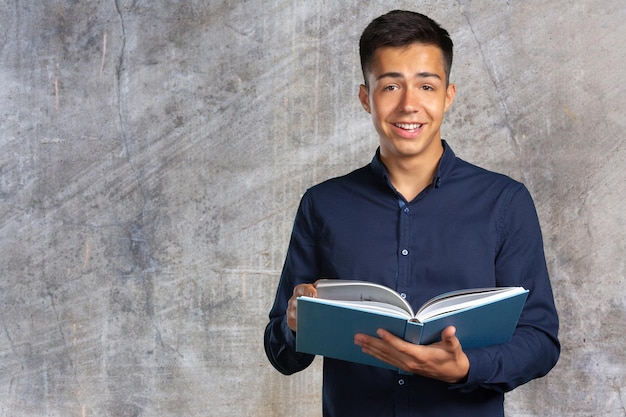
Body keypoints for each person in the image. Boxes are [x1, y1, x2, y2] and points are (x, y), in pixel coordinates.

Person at [264, 9, 560, 417]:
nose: (409, 105)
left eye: (426, 85)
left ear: (448, 96)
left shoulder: (504, 202)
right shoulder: (323, 205)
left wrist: (466, 368)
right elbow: (281, 353)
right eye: (390, 87)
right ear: (366, 97)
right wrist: (293, 324)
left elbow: (540, 340)